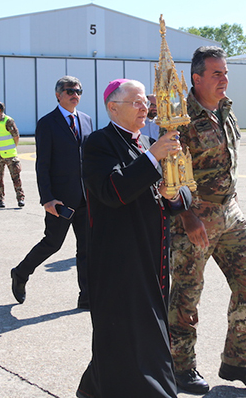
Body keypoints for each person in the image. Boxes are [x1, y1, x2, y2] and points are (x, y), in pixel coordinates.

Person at [76, 79, 192, 398]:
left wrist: (173, 194)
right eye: (137, 102)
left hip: (150, 255)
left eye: (145, 102)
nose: (145, 107)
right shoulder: (98, 143)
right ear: (113, 108)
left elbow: (182, 190)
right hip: (119, 259)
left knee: (131, 334)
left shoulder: (146, 143)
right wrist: (153, 157)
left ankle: (94, 387)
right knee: (134, 336)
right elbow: (113, 191)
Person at [169, 46, 246, 393]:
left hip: (230, 214)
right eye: (216, 73)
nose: (224, 79)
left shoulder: (226, 111)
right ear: (196, 78)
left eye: (225, 72)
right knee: (186, 296)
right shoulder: (181, 118)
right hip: (195, 218)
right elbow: (169, 173)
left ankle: (236, 361)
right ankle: (181, 367)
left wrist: (234, 202)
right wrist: (186, 216)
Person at [11, 76, 92, 309]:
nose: (75, 95)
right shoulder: (47, 123)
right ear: (58, 95)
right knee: (52, 243)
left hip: (86, 197)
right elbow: (43, 164)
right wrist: (47, 198)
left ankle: (86, 296)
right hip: (61, 199)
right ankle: (21, 272)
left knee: (87, 248)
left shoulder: (86, 120)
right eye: (69, 91)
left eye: (78, 91)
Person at [0, 101, 25, 208]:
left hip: (10, 155)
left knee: (16, 178)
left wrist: (13, 147)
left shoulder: (8, 121)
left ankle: (20, 198)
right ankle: (0, 200)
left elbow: (16, 136)